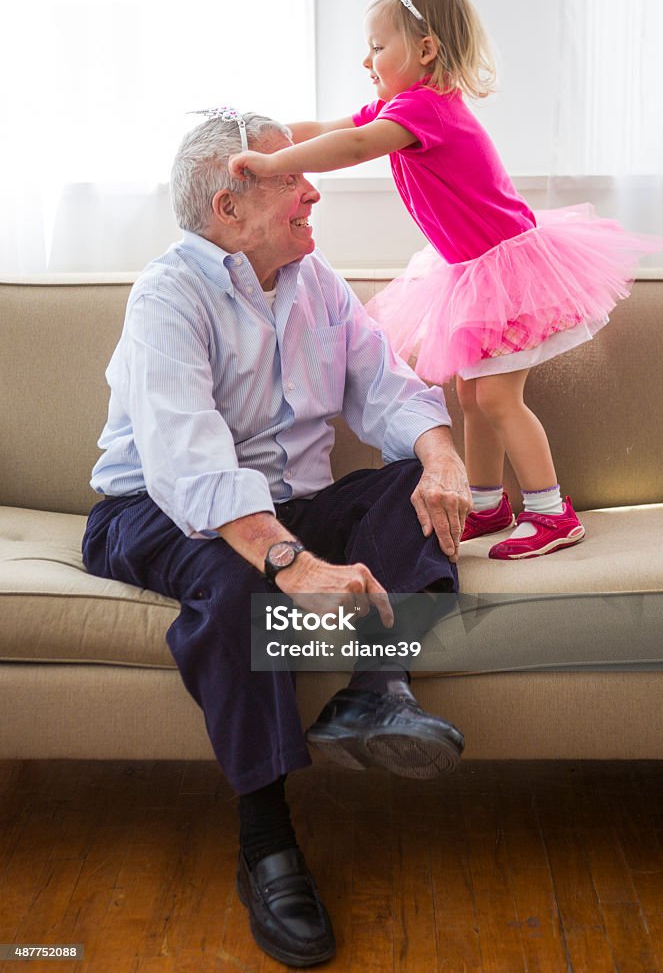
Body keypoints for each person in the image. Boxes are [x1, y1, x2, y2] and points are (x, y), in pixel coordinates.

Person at [82, 107, 472, 967]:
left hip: (286, 503)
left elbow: (388, 387)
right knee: (238, 588)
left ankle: (377, 688)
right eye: (290, 176)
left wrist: (443, 457)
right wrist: (293, 564)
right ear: (230, 204)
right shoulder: (168, 295)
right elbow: (189, 470)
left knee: (411, 486)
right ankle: (265, 842)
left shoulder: (313, 278)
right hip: (154, 506)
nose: (312, 188)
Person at [228, 0, 662, 562]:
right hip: (469, 271)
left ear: (425, 49)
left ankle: (551, 511)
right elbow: (331, 126)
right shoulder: (403, 110)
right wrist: (263, 139)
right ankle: (488, 502)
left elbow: (351, 146)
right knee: (470, 394)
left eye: (377, 47)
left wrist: (275, 167)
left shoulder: (424, 111)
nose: (366, 60)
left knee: (499, 399)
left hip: (508, 272)